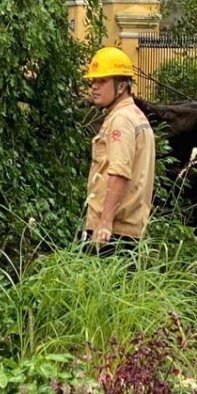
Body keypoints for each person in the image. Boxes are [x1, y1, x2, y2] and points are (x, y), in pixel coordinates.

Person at [82, 47, 155, 254]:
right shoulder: (136, 116)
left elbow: (119, 172)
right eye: (93, 81)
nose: (94, 87)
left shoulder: (121, 119)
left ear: (121, 86)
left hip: (112, 232)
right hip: (127, 228)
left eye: (102, 81)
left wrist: (104, 222)